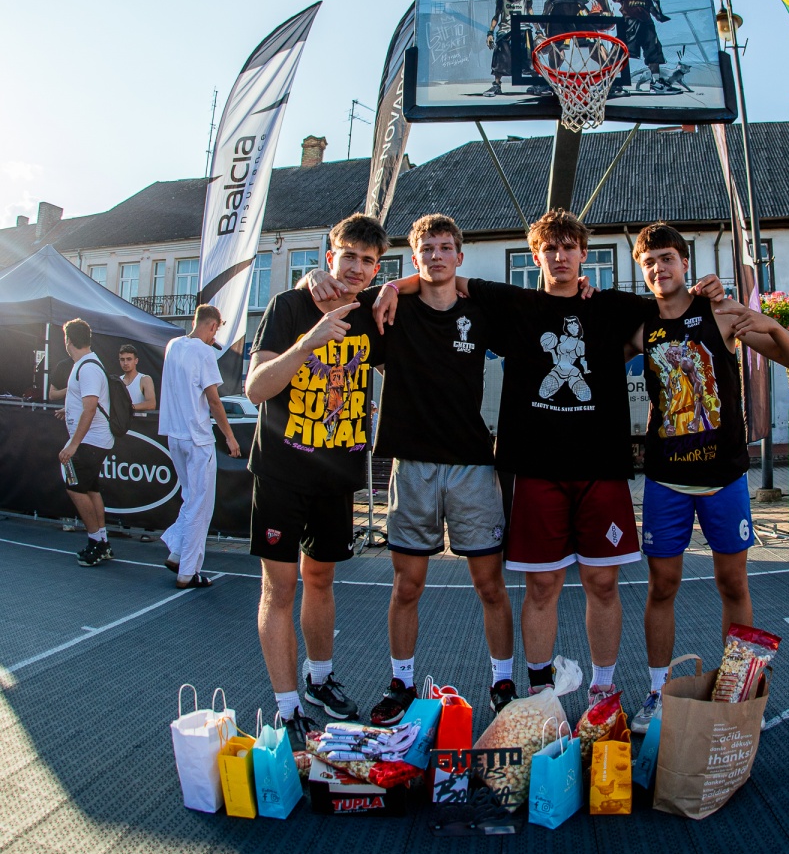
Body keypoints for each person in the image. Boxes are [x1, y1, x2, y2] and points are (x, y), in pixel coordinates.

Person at [374, 210, 725, 711]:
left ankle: (602, 688)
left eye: (568, 248)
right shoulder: (512, 303)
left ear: (584, 254)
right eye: (550, 249)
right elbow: (441, 276)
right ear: (535, 257)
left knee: (603, 582)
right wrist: (394, 284)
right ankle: (540, 692)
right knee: (541, 585)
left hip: (601, 467)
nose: (560, 257)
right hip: (535, 469)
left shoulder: (613, 306)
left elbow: (673, 304)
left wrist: (712, 292)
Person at [628, 221, 789, 733]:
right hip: (666, 478)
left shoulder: (722, 312)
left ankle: (737, 688)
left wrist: (768, 323)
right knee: (662, 585)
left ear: (685, 262)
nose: (659, 268)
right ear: (641, 270)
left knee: (732, 581)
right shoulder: (640, 327)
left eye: (667, 258)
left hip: (723, 477)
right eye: (649, 262)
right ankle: (657, 693)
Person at [361, 215, 515, 724]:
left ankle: (503, 681)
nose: (437, 255)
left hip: (472, 465)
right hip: (413, 466)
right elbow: (340, 296)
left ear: (459, 257)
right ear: (415, 258)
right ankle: (401, 684)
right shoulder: (391, 310)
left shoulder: (479, 312)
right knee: (407, 586)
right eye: (427, 248)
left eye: (446, 247)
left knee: (490, 586)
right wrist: (389, 286)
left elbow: (530, 318)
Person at [245, 214, 387, 750]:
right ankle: (287, 709)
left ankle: (319, 679)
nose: (356, 268)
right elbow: (257, 388)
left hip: (336, 472)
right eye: (348, 256)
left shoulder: (373, 313)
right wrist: (309, 341)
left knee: (321, 578)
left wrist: (394, 288)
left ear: (376, 270)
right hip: (281, 472)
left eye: (368, 262)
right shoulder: (289, 306)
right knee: (279, 588)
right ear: (330, 257)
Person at [158, 305, 241, 589]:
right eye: (216, 329)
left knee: (190, 498)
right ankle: (188, 570)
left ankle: (178, 553)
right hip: (197, 438)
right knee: (200, 505)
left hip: (175, 435)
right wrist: (229, 436)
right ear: (212, 325)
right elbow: (214, 400)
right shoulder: (204, 352)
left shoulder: (173, 345)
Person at [58, 318, 115, 566]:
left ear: (68, 340)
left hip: (89, 442)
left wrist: (73, 444)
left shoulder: (88, 367)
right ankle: (102, 541)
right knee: (91, 489)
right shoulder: (86, 364)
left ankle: (96, 543)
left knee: (74, 488)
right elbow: (86, 403)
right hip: (92, 440)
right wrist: (68, 410)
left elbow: (90, 408)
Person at [608, 0, 670, 88]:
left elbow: (658, 16)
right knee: (619, 50)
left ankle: (656, 82)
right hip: (630, 23)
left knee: (654, 51)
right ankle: (611, 82)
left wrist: (657, 3)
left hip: (647, 24)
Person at [485, 0, 534, 95]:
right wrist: (490, 33)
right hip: (506, 31)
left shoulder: (526, 1)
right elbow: (496, 17)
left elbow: (532, 16)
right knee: (500, 57)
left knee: (529, 56)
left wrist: (539, 31)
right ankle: (496, 85)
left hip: (523, 30)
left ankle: (536, 84)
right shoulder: (501, 1)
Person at [119, 344, 156, 413]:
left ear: (136, 361)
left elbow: (151, 404)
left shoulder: (144, 379)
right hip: (121, 419)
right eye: (122, 359)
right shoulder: (118, 381)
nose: (125, 363)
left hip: (138, 419)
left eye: (129, 359)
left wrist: (130, 407)